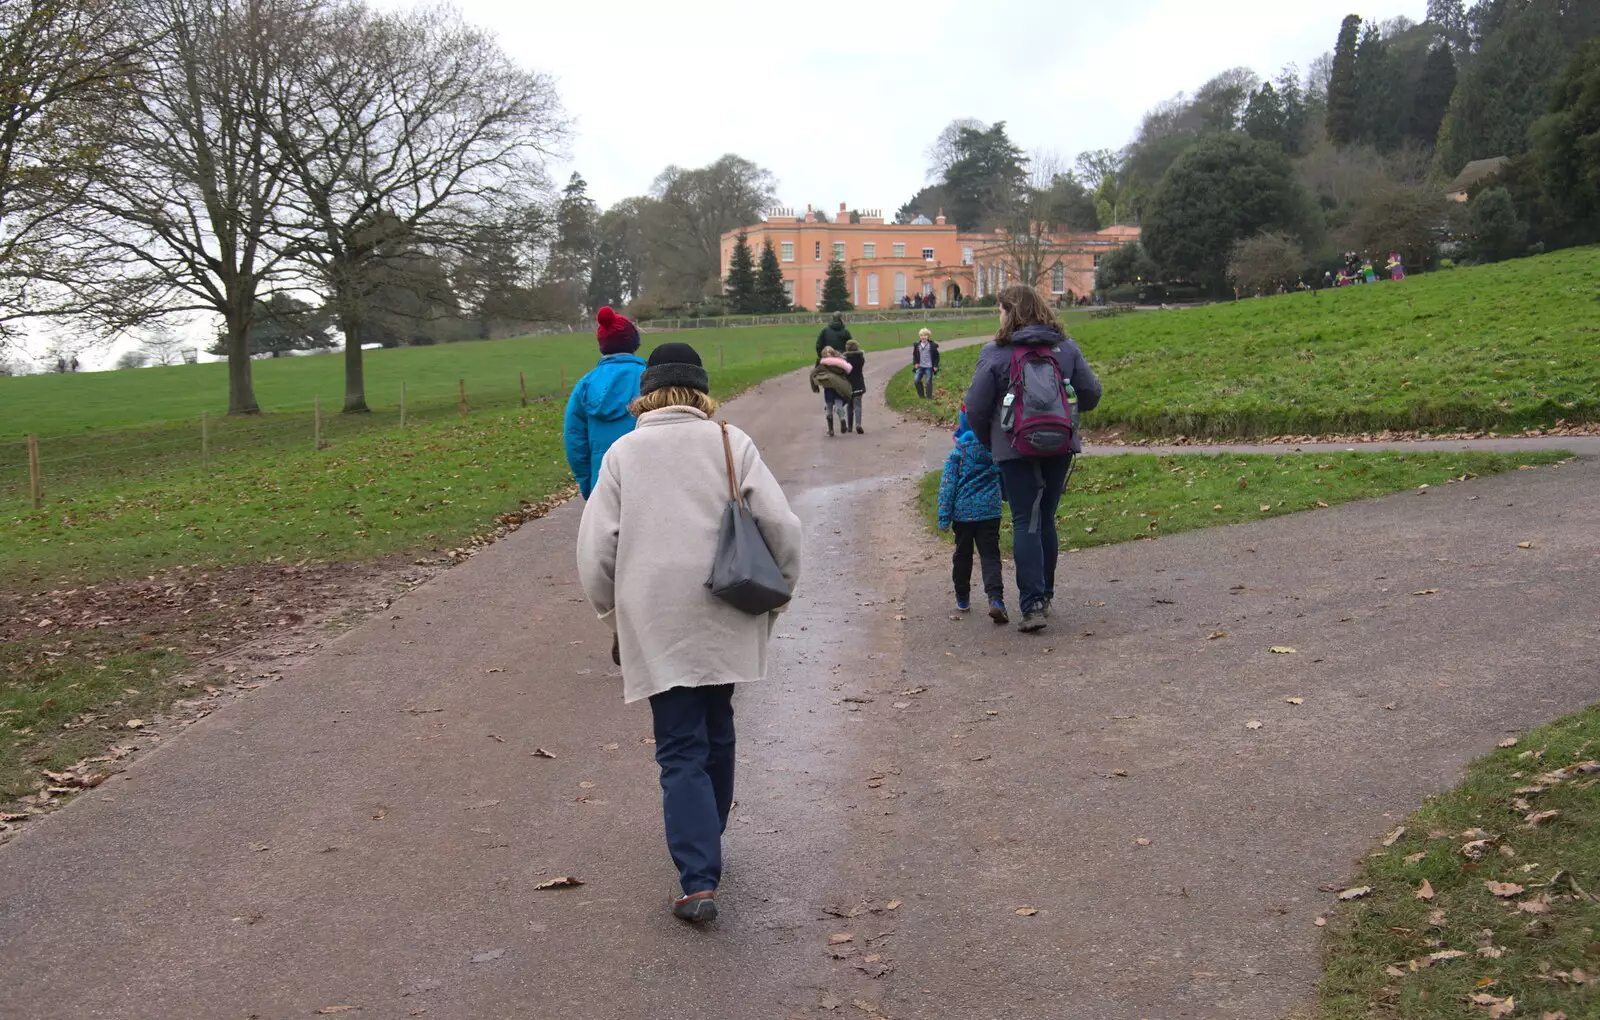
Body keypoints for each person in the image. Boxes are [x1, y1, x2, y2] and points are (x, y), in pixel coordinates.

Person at [576, 342, 804, 924]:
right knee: (718, 721)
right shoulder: (732, 443)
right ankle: (708, 833)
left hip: (654, 612)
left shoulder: (624, 454)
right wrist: (777, 601)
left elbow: (596, 551)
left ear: (646, 393)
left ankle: (698, 877)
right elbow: (781, 526)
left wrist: (613, 616)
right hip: (726, 599)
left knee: (679, 744)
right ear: (700, 391)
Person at [963, 284, 1101, 633]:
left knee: (1026, 519)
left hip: (1013, 448)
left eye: (1000, 309)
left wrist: (993, 441)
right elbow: (1092, 393)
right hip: (1059, 444)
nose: (998, 316)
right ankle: (1046, 594)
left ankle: (1032, 604)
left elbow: (976, 409)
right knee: (1046, 517)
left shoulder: (995, 352)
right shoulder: (1065, 348)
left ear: (1009, 312)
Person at [564, 306, 647, 500]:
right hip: (648, 479)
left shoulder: (585, 385)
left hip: (602, 482)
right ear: (634, 343)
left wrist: (588, 484)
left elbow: (575, 440)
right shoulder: (652, 378)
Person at [938, 408, 1007, 623]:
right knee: (990, 556)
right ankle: (996, 599)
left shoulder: (958, 455)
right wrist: (1005, 496)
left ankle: (962, 597)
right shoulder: (995, 450)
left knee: (963, 555)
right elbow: (1004, 478)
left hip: (963, 515)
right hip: (990, 512)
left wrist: (943, 516)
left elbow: (948, 486)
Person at [811, 346, 855, 436]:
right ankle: (842, 419)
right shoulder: (840, 364)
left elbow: (813, 373)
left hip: (828, 389)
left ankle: (831, 429)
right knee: (839, 405)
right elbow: (847, 373)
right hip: (838, 388)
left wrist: (815, 385)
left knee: (829, 407)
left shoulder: (822, 364)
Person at [843, 339, 867, 434]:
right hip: (859, 383)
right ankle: (858, 424)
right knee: (858, 405)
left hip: (849, 385)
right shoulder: (861, 359)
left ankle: (849, 427)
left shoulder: (845, 360)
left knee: (850, 405)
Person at [911, 328, 940, 400]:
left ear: (928, 336)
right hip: (920, 366)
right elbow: (915, 355)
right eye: (921, 335)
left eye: (925, 335)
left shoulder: (932, 346)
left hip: (929, 367)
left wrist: (935, 365)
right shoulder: (917, 345)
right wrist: (915, 363)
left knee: (928, 381)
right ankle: (921, 396)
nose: (923, 337)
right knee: (916, 380)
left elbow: (937, 356)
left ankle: (929, 397)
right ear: (919, 336)